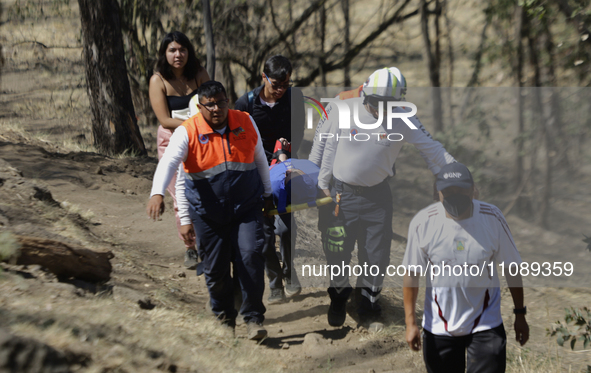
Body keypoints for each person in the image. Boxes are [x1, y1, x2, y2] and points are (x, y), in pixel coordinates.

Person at [313, 67, 457, 328]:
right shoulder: (344, 109)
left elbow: (435, 152)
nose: (381, 110)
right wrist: (320, 184)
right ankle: (338, 296)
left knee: (377, 256)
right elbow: (326, 146)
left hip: (377, 198)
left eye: (389, 105)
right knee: (337, 250)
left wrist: (458, 177)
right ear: (365, 95)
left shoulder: (405, 118)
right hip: (340, 195)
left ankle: (367, 307)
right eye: (376, 103)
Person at [147, 81, 272, 340]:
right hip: (208, 214)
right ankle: (224, 319)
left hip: (246, 208)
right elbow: (171, 166)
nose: (217, 108)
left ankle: (253, 318)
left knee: (250, 257)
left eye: (221, 102)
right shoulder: (188, 131)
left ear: (228, 101)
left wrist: (269, 194)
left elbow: (260, 158)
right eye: (210, 104)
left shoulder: (245, 121)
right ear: (200, 106)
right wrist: (157, 194)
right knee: (215, 270)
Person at [402, 162, 529, 373]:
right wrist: (410, 323)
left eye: (460, 190)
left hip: (485, 323)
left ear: (473, 190)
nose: (454, 195)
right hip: (439, 327)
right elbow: (412, 273)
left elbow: (512, 267)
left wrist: (520, 314)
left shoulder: (492, 218)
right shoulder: (423, 223)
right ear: (437, 192)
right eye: (448, 191)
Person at [235, 55, 305, 304]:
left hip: (286, 171)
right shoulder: (246, 103)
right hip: (256, 174)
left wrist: (285, 152)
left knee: (285, 229)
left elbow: (298, 132)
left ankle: (289, 272)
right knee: (263, 236)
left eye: (286, 84)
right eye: (276, 84)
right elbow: (237, 140)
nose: (280, 90)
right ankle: (274, 282)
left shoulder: (294, 99)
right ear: (263, 77)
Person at [148, 31, 210, 270]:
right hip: (172, 139)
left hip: (201, 139)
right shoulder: (158, 80)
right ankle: (190, 248)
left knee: (204, 189)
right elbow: (164, 119)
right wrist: (194, 125)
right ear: (165, 53)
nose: (178, 55)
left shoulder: (199, 74)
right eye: (172, 50)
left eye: (182, 50)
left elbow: (212, 101)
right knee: (179, 195)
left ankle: (207, 240)